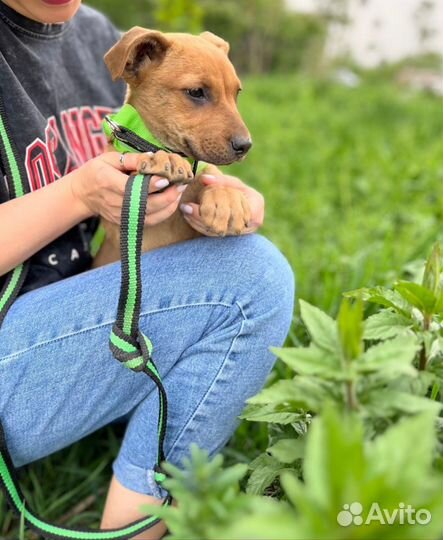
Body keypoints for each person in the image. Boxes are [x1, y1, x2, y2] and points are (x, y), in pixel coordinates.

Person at [0, 0, 295, 538]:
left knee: (246, 263)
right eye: (199, 96)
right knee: (252, 286)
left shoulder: (90, 34)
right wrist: (78, 194)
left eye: (229, 96)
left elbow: (156, 131)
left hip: (65, 311)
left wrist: (228, 196)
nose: (235, 125)